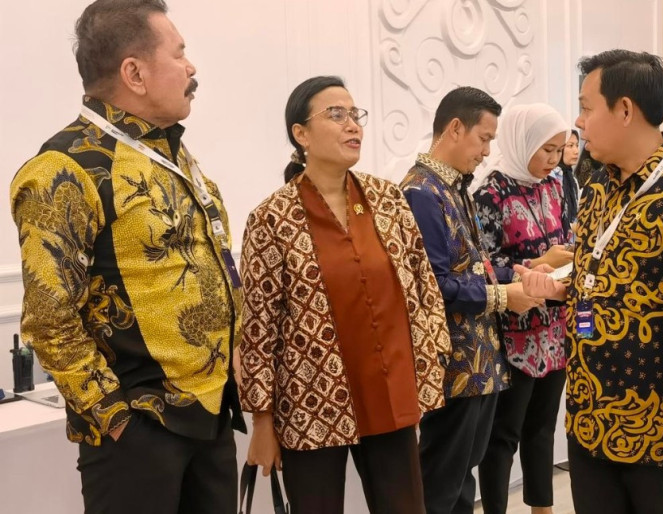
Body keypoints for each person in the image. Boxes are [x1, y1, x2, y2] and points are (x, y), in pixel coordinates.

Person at [9, 1, 245, 512]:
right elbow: (50, 320)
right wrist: (115, 419)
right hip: (139, 433)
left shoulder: (172, 153)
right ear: (134, 73)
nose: (192, 67)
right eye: (179, 53)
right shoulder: (62, 168)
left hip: (210, 415)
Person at [514, 50, 663, 514]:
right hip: (591, 418)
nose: (579, 121)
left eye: (586, 106)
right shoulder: (600, 185)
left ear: (624, 110)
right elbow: (597, 275)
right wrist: (559, 288)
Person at [239, 76, 450, 514]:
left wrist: (430, 367)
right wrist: (262, 420)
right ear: (301, 134)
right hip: (310, 401)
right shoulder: (271, 219)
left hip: (388, 392)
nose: (352, 125)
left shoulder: (388, 200)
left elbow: (425, 292)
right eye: (336, 115)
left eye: (356, 115)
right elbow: (259, 330)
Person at [400, 86, 543, 514]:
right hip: (453, 368)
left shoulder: (451, 187)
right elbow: (436, 285)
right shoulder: (420, 193)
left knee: (463, 483)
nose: (486, 151)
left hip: (478, 363)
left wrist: (519, 271)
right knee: (442, 486)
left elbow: (471, 265)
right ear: (455, 128)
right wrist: (504, 296)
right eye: (483, 139)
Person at [473, 103, 573, 514]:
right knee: (503, 435)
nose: (552, 160)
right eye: (546, 149)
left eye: (558, 150)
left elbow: (563, 238)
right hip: (512, 333)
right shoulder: (489, 194)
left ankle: (541, 509)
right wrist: (539, 265)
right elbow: (483, 266)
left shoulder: (553, 185)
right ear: (522, 141)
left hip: (554, 327)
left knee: (543, 428)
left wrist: (565, 260)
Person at [552, 129, 581, 236]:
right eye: (570, 145)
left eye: (577, 145)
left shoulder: (571, 178)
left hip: (570, 241)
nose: (576, 151)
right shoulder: (552, 177)